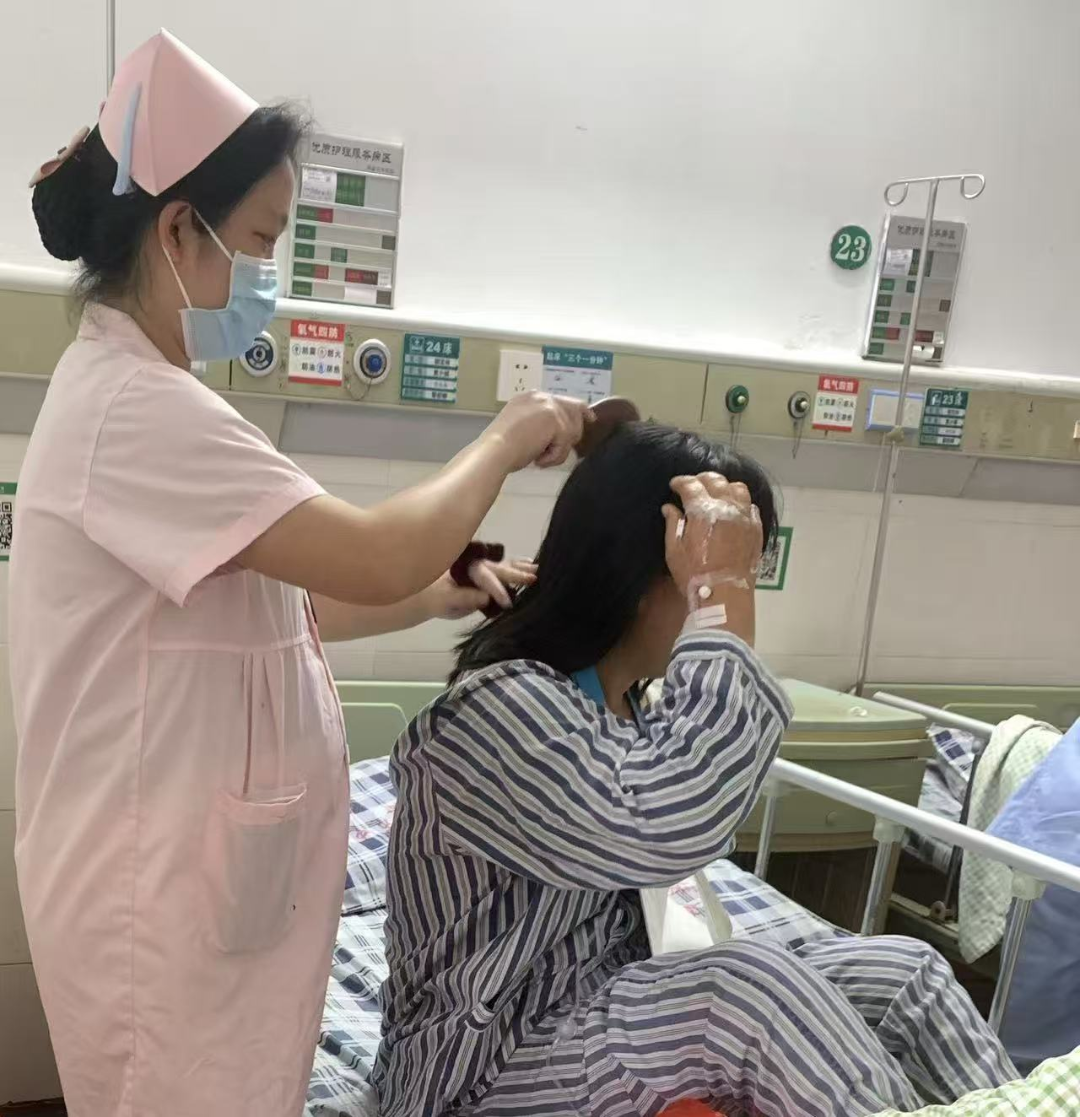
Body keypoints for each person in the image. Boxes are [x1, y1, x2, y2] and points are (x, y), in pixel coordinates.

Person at [11, 29, 588, 1117]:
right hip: (161, 899)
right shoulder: (136, 411)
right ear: (178, 230)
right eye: (260, 241)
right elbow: (372, 548)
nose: (265, 278)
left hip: (203, 879)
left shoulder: (154, 400)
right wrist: (507, 438)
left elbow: (282, 605)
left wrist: (443, 590)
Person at [372, 422, 1018, 1117]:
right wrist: (722, 594)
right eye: (707, 573)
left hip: (600, 990)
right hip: (485, 1060)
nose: (736, 598)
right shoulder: (499, 709)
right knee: (747, 991)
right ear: (635, 577)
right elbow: (667, 824)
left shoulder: (622, 702)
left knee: (906, 973)